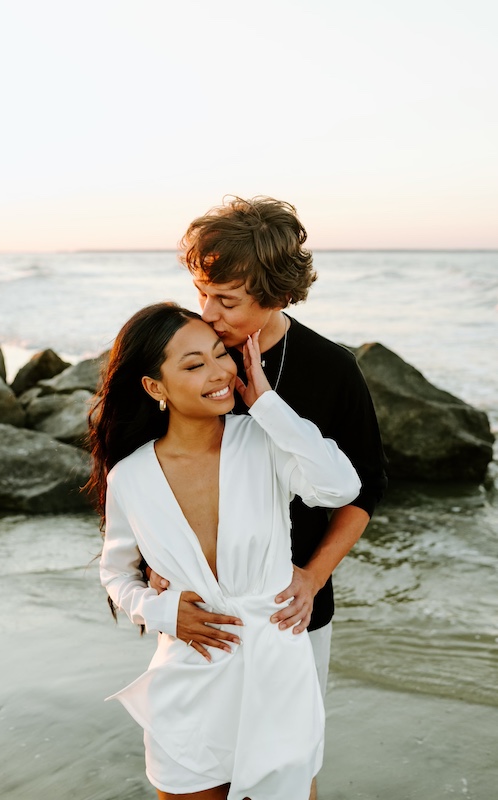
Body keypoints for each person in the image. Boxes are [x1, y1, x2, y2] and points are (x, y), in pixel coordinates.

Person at [146, 197, 388, 799]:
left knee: (284, 774)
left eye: (225, 300)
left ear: (274, 295)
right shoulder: (188, 353)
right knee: (200, 770)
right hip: (204, 615)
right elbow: (141, 465)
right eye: (202, 291)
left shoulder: (330, 369)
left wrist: (311, 577)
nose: (208, 313)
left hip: (291, 615)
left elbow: (363, 491)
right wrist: (149, 566)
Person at [90, 302, 361, 800]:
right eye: (194, 365)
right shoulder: (130, 476)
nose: (220, 373)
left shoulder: (263, 441)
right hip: (190, 675)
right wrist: (163, 611)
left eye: (221, 354)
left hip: (277, 670)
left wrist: (266, 404)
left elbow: (341, 486)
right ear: (155, 387)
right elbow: (116, 574)